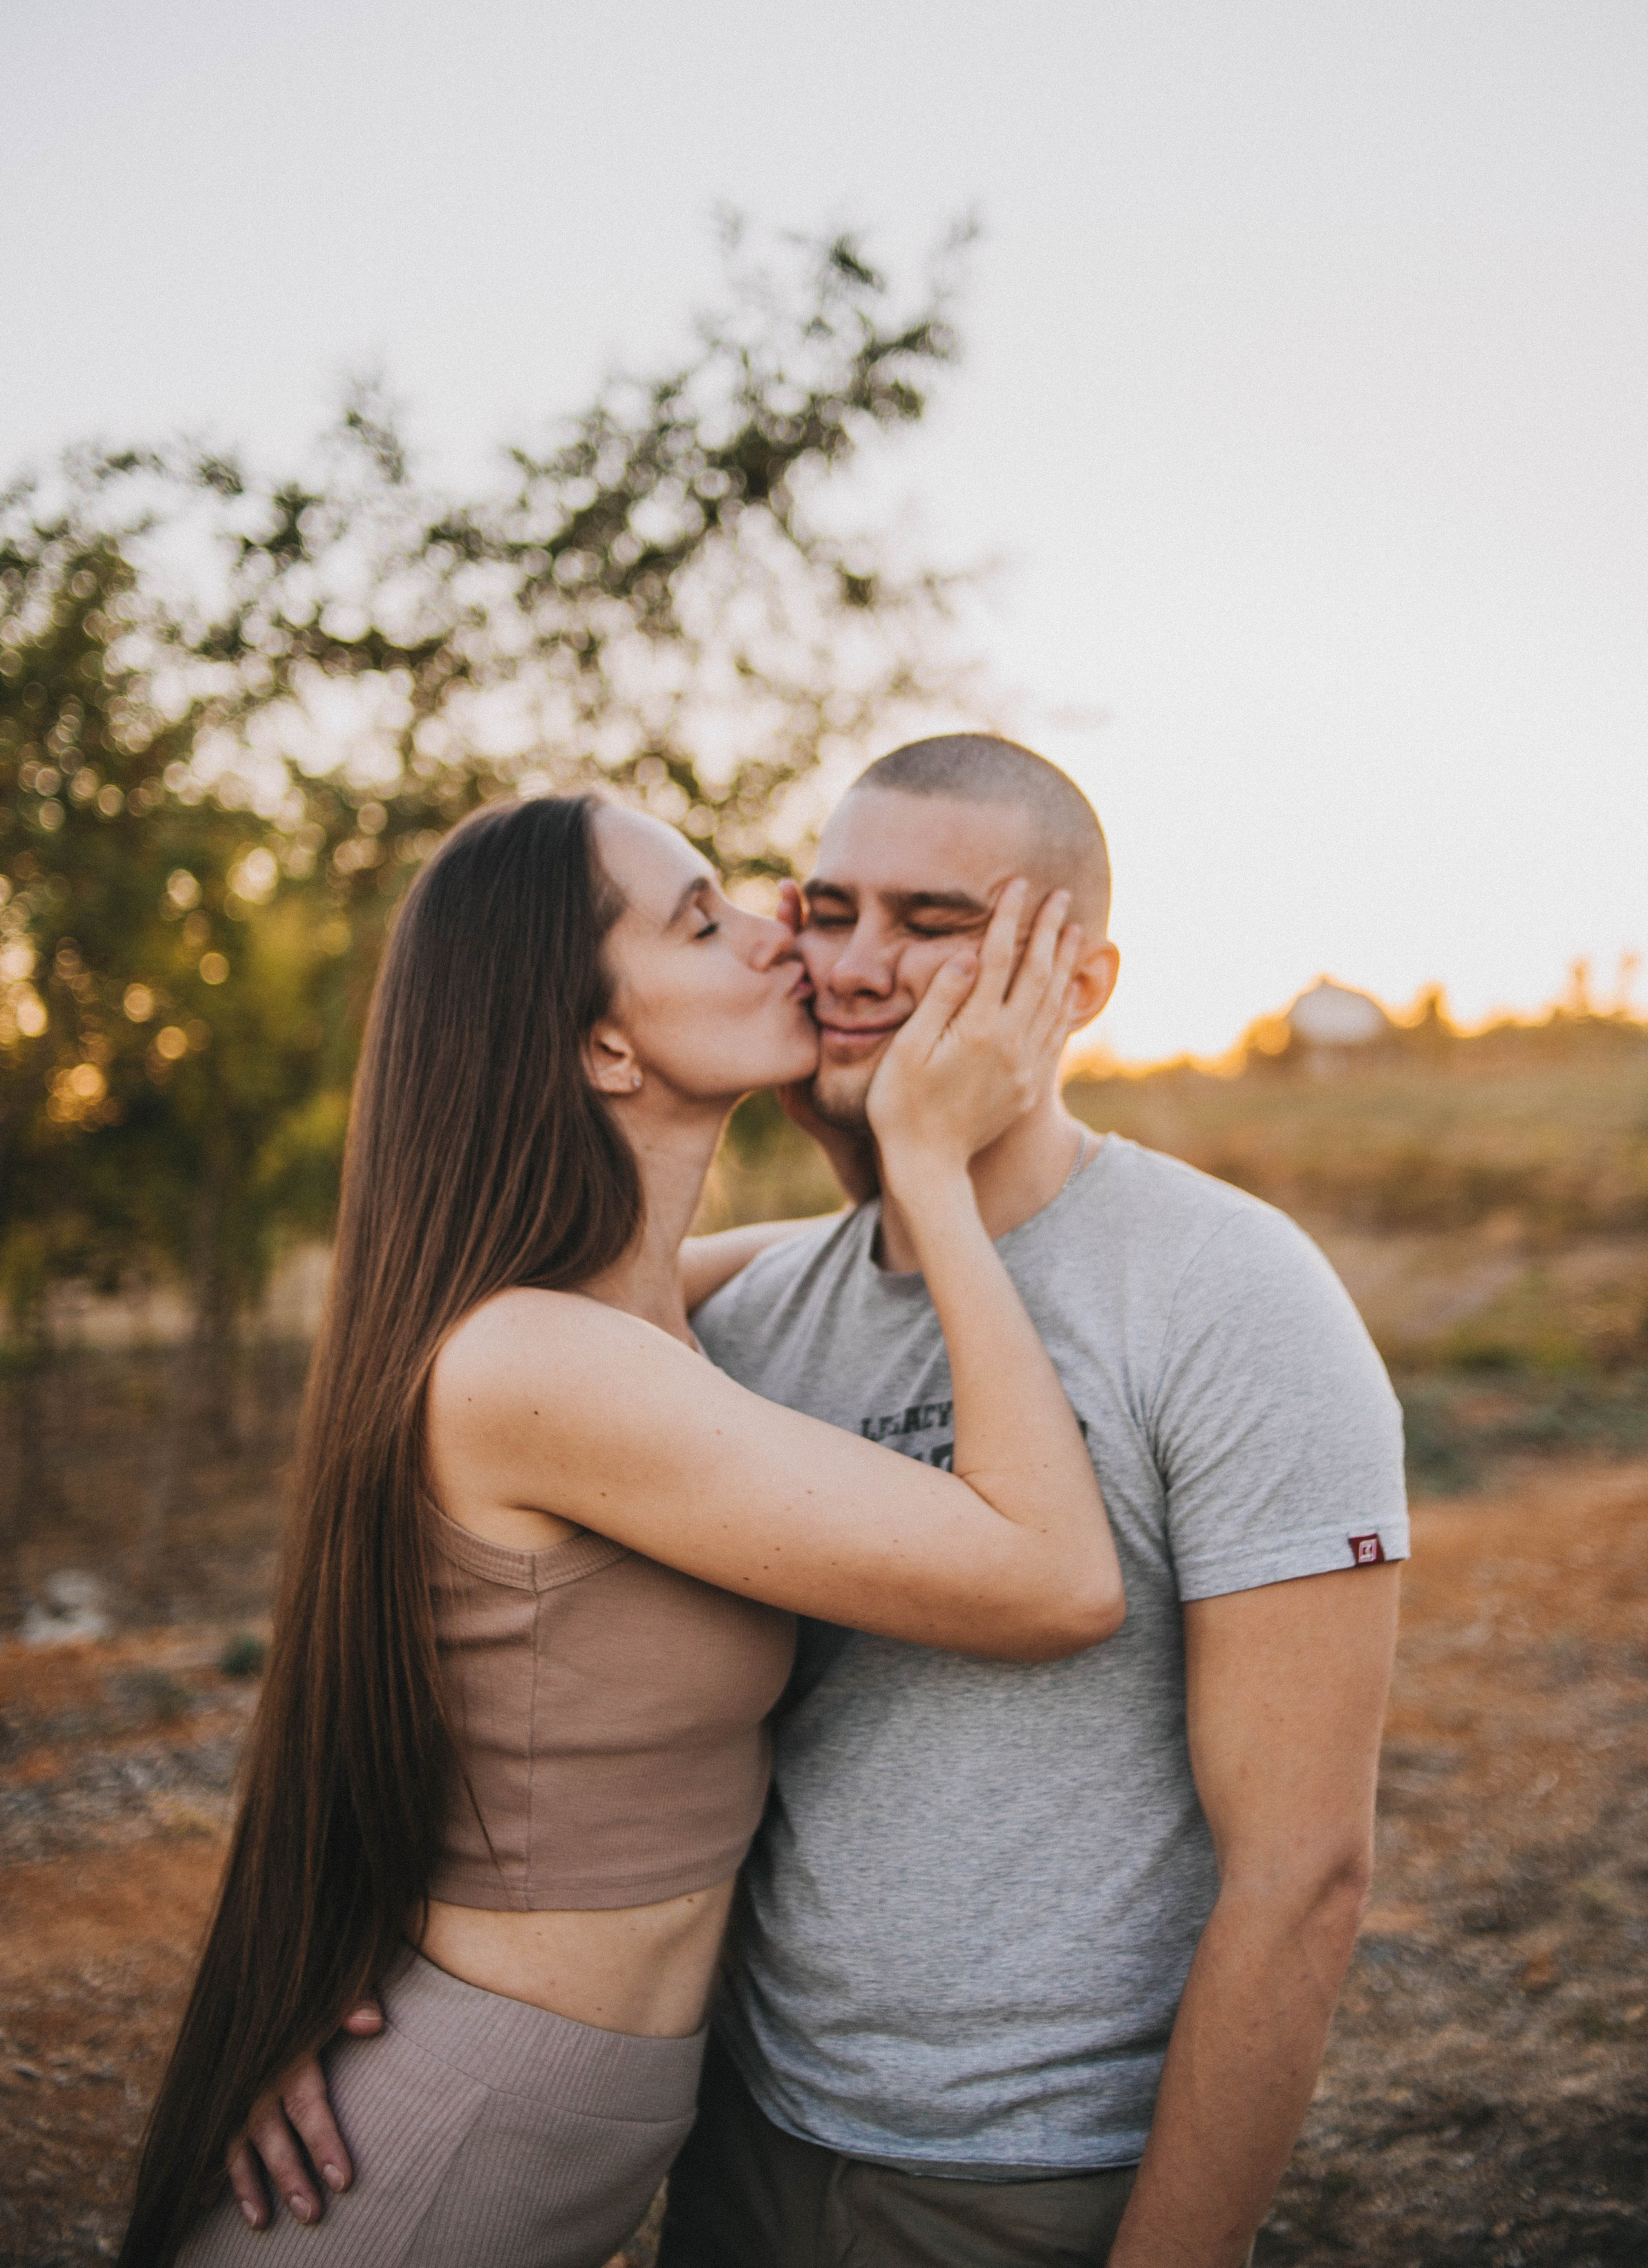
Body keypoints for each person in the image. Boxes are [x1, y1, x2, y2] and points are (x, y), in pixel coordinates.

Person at [236, 734, 1408, 2268]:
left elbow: (1304, 1873)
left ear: (1081, 982)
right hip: (738, 2143)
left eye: (930, 924)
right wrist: (322, 1948)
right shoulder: (721, 1328)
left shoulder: (1225, 1290)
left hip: (1027, 2176)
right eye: (824, 905)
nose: (843, 965)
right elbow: (423, 1620)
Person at [120, 789, 1125, 2268]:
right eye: (702, 916)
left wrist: (900, 1136)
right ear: (603, 1044)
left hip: (547, 2125)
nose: (783, 927)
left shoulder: (633, 1313)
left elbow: (875, 1251)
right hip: (439, 2150)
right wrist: (918, 1160)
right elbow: (1052, 1580)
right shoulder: (546, 1367)